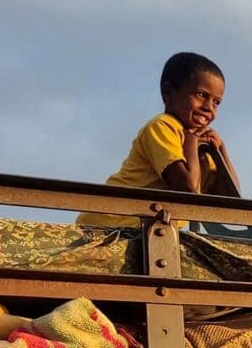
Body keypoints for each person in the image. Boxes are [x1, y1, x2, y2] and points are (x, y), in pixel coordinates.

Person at [77, 52, 239, 227]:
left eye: (216, 102)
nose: (209, 108)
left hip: (144, 231)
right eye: (200, 95)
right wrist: (191, 142)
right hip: (108, 223)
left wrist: (220, 151)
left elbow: (232, 200)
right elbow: (186, 187)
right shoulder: (163, 126)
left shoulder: (203, 144)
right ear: (167, 92)